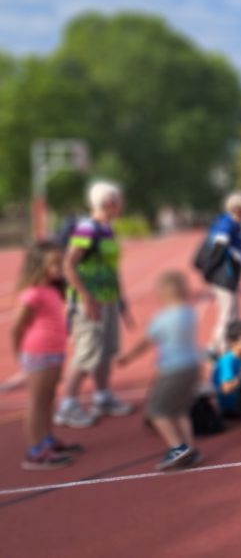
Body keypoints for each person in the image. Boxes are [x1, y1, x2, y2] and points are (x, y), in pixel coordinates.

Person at [55, 181, 135, 428]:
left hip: (108, 298)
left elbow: (111, 267)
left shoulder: (107, 228)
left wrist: (121, 301)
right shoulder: (87, 229)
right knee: (86, 353)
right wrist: (86, 296)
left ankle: (102, 397)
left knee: (106, 351)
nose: (123, 204)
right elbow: (68, 264)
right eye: (120, 199)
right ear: (109, 202)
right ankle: (67, 405)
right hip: (90, 301)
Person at [118, 272, 203, 471]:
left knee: (157, 412)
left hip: (172, 369)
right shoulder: (190, 313)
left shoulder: (162, 318)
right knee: (180, 410)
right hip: (192, 366)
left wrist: (127, 357)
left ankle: (177, 447)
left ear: (164, 293)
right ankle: (190, 447)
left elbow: (146, 342)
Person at [12, 241, 83, 469]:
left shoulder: (52, 290)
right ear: (38, 265)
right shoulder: (32, 294)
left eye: (61, 264)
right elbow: (16, 328)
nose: (60, 269)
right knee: (37, 402)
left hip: (54, 351)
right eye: (54, 265)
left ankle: (47, 440)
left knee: (49, 399)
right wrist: (20, 356)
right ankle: (35, 451)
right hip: (38, 353)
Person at [198, 192, 241, 354]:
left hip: (230, 275)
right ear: (238, 208)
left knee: (231, 313)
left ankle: (215, 346)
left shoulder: (234, 224)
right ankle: (219, 348)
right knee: (228, 315)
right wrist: (209, 273)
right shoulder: (226, 225)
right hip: (224, 275)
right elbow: (218, 250)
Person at [212, 320, 241, 418]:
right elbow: (226, 388)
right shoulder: (228, 361)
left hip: (240, 404)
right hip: (229, 408)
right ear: (233, 342)